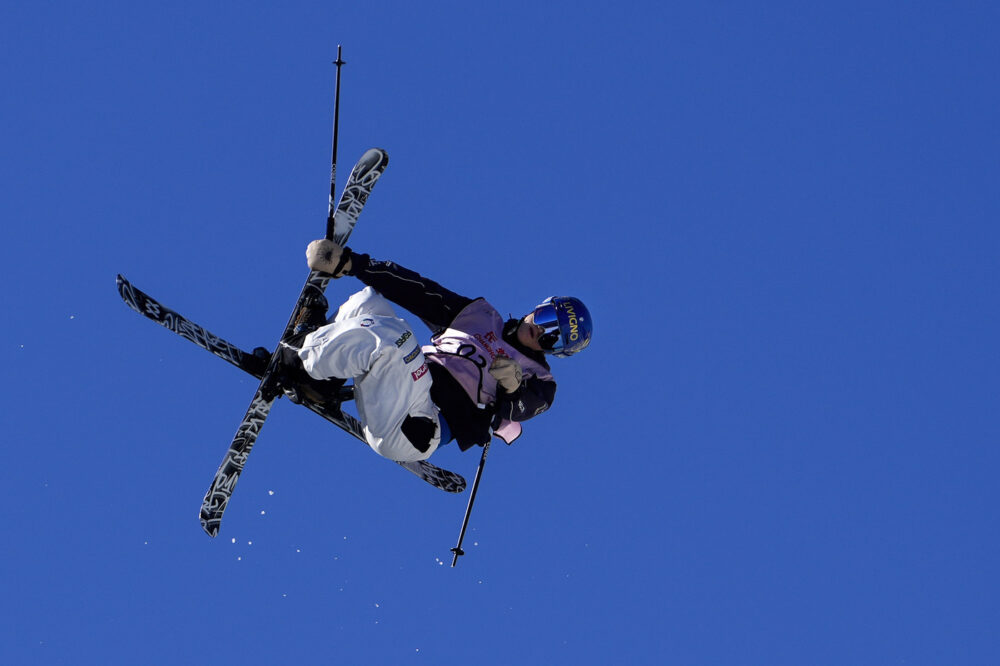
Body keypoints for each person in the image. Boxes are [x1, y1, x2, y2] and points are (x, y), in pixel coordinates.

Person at [276, 239, 593, 463]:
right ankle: (316, 381)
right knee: (367, 302)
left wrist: (513, 386)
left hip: (418, 423)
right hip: (402, 383)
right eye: (547, 319)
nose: (541, 331)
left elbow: (520, 407)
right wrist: (350, 263)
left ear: (556, 353)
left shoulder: (541, 381)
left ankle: (301, 358)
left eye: (553, 338)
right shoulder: (481, 317)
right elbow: (417, 291)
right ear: (538, 308)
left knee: (395, 338)